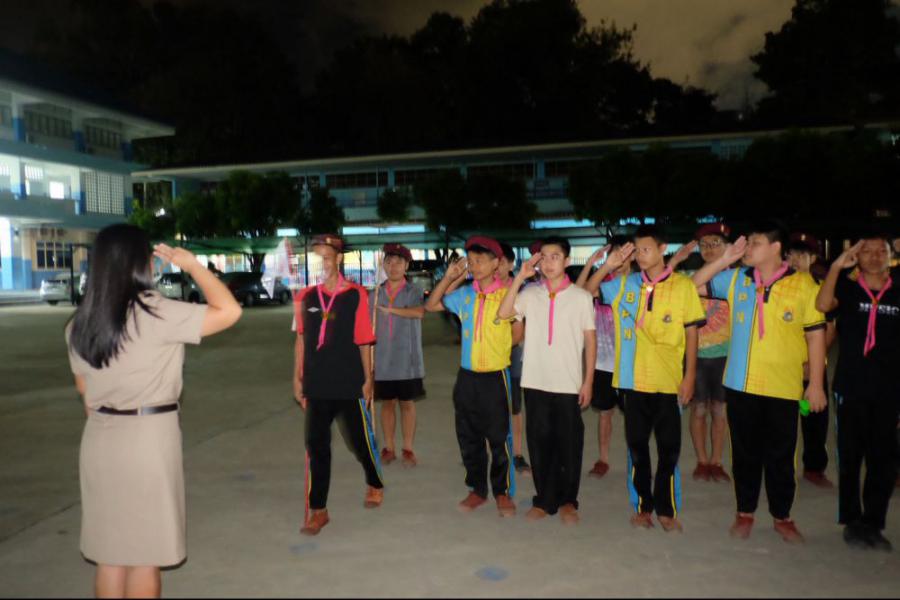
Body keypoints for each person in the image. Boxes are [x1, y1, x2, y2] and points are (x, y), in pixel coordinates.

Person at [65, 224, 242, 598]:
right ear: (141, 263)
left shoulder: (79, 323)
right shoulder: (157, 312)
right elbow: (229, 311)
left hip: (99, 440)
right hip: (148, 439)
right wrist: (192, 266)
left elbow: (86, 394)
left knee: (110, 556)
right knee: (145, 556)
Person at [691, 220, 827, 544]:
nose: (748, 248)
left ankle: (782, 516)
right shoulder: (737, 279)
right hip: (740, 384)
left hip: (783, 386)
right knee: (744, 454)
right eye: (747, 243)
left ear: (776, 247)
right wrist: (725, 259)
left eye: (755, 243)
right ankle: (745, 512)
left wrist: (816, 384)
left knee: (781, 455)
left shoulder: (804, 285)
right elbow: (694, 284)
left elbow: (816, 335)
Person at [591, 225, 706, 532]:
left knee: (669, 450)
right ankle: (643, 507)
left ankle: (666, 510)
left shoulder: (683, 287)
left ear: (662, 249)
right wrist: (607, 266)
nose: (641, 256)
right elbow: (588, 291)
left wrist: (689, 376)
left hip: (669, 382)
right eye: (637, 251)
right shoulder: (625, 285)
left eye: (646, 249)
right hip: (633, 382)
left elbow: (692, 332)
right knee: (638, 449)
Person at [498, 236, 596, 524]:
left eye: (555, 256)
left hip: (568, 383)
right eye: (543, 257)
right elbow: (504, 313)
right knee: (539, 442)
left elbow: (590, 341)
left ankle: (568, 501)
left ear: (567, 261)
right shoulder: (530, 294)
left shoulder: (580, 297)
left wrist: (588, 381)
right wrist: (520, 278)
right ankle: (544, 500)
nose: (548, 262)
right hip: (535, 381)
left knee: (569, 444)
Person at [293, 234, 383, 536]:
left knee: (359, 442)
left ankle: (374, 481)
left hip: (348, 381)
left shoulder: (356, 295)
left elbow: (364, 339)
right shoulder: (305, 297)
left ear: (339, 259)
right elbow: (301, 339)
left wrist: (368, 379)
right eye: (317, 258)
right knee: (316, 445)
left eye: (327, 257)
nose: (322, 264)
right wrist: (297, 377)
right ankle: (319, 510)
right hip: (317, 383)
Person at [816, 234, 899, 551]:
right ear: (857, 257)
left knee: (884, 460)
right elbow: (823, 305)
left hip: (889, 388)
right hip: (851, 386)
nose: (875, 256)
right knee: (850, 458)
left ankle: (873, 522)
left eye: (882, 251)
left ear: (890, 256)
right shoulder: (848, 289)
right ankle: (852, 521)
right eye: (868, 251)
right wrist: (836, 267)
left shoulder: (897, 291)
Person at [425, 236, 517, 517]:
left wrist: (500, 348)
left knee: (498, 436)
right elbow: (431, 305)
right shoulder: (465, 295)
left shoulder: (508, 295)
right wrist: (449, 277)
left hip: (495, 377)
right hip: (467, 377)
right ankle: (477, 489)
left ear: (496, 263)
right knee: (468, 435)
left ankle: (502, 492)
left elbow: (518, 330)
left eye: (480, 261)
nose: (474, 266)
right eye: (471, 261)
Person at [577, 236, 632, 479]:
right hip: (602, 363)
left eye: (625, 255)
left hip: (632, 363)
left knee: (635, 417)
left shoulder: (639, 284)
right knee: (605, 413)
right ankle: (603, 458)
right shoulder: (604, 284)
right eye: (616, 255)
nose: (620, 260)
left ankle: (636, 459)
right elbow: (582, 292)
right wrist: (595, 264)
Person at [788, 232, 837, 488]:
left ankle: (814, 466)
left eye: (802, 255)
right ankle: (780, 466)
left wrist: (811, 363)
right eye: (791, 255)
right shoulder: (779, 288)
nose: (795, 260)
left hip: (811, 370)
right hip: (784, 369)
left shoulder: (819, 289)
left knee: (812, 416)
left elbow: (829, 330)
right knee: (783, 419)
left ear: (813, 258)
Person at [371, 243, 426, 468]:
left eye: (398, 262)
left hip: (407, 361)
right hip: (382, 359)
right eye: (389, 262)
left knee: (407, 404)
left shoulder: (414, 291)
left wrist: (390, 310)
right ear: (383, 265)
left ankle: (408, 448)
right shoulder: (375, 293)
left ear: (406, 266)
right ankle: (389, 447)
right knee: (387, 403)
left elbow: (419, 312)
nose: (393, 267)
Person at [688, 223, 733, 483]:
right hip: (697, 355)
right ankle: (702, 461)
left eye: (715, 243)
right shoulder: (691, 278)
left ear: (728, 247)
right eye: (704, 245)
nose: (709, 249)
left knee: (719, 410)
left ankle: (716, 461)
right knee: (699, 409)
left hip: (726, 356)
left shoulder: (737, 279)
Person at [497, 242, 531, 475]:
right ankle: (495, 451)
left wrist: (499, 347)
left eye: (502, 263)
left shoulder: (522, 290)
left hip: (514, 354)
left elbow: (520, 331)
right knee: (492, 406)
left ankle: (517, 454)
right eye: (495, 262)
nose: (497, 268)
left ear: (511, 264)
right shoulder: (486, 289)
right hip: (489, 358)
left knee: (515, 408)